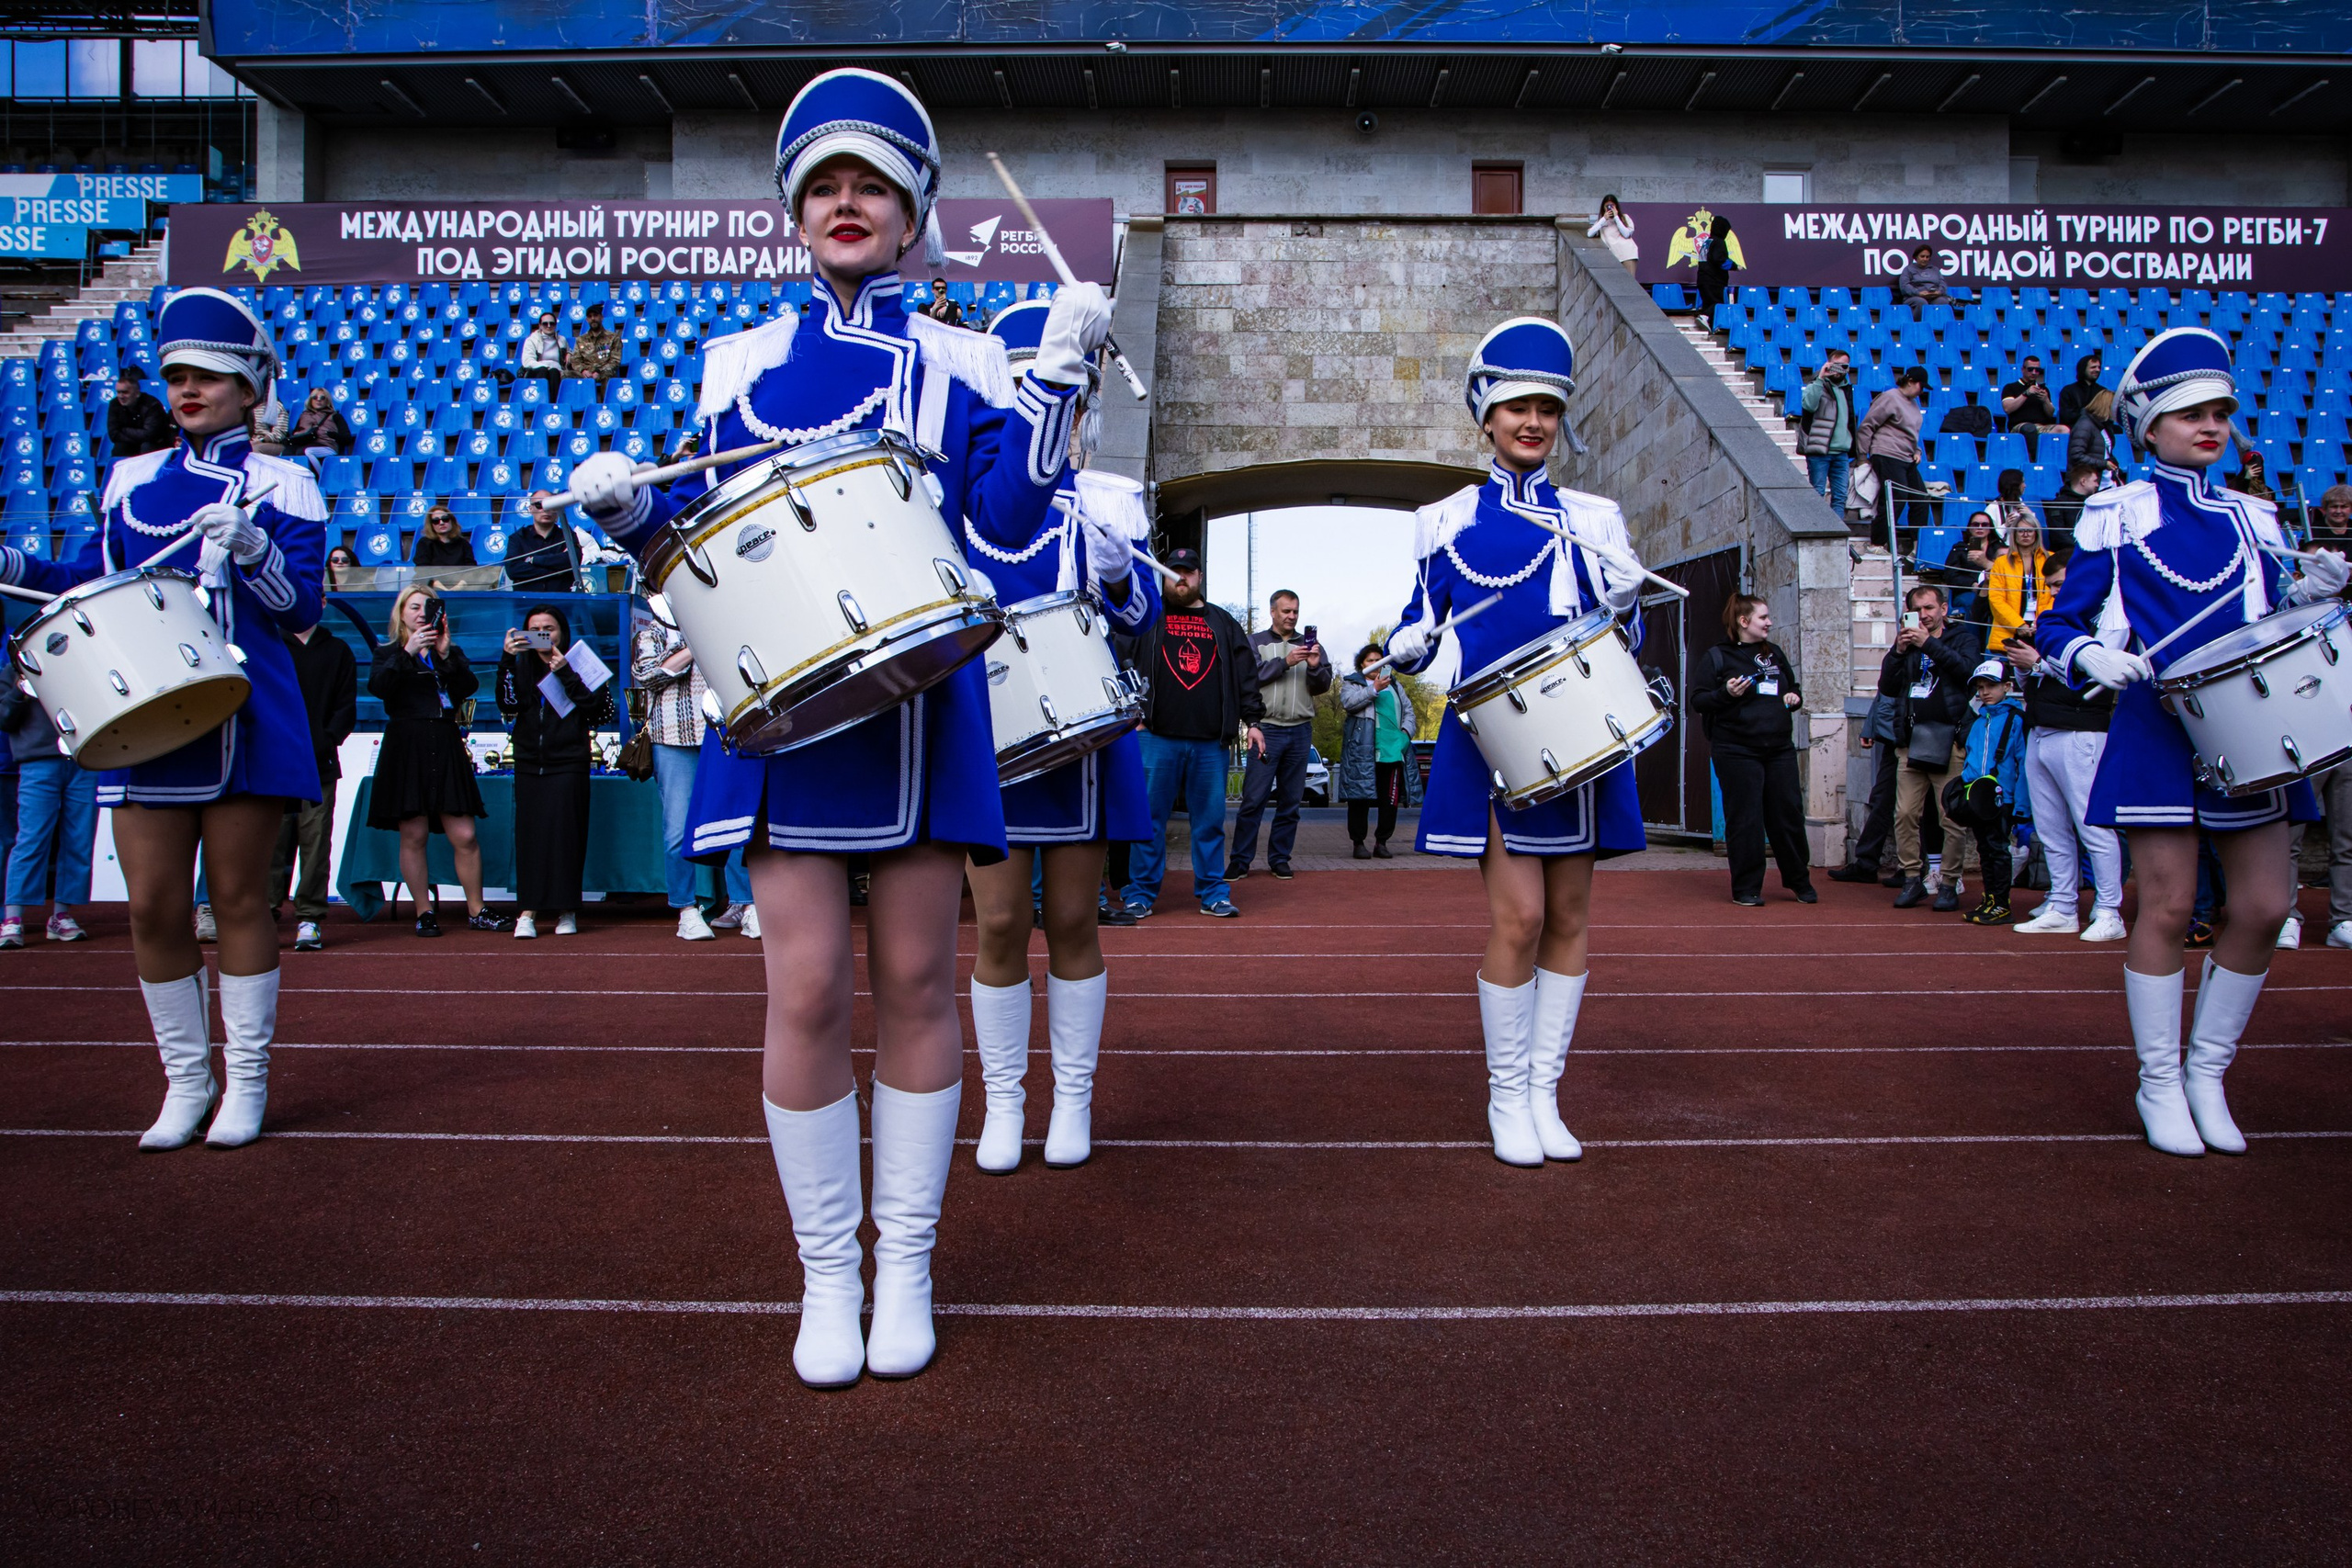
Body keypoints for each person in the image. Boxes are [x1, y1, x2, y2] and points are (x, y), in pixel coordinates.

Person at [557, 68, 1103, 1387]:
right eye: (825, 187)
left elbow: (1013, 530)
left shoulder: (970, 358)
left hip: (923, 706)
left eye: (872, 186)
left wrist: (1056, 388)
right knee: (802, 984)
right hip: (785, 712)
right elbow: (708, 557)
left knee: (920, 976)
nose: (847, 204)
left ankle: (905, 1256)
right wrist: (631, 518)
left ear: (913, 215)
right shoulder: (734, 362)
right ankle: (828, 1269)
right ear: (795, 216)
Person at [0, 288, 326, 1150]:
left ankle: (246, 1083)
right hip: (143, 713)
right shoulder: (131, 481)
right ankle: (187, 1082)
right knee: (151, 906)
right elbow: (85, 579)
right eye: (178, 375)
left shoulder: (285, 481)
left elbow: (303, 613)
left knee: (240, 899)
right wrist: (13, 559)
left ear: (251, 388)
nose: (189, 390)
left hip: (246, 716)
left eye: (210, 378)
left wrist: (255, 549)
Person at [2035, 326, 2348, 1157]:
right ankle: (2159, 1079)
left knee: (2264, 906)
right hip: (2159, 725)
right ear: (2149, 427)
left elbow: (2271, 630)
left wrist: (2307, 594)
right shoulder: (2118, 511)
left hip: (2249, 729)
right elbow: (2058, 622)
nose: (2208, 426)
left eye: (2219, 413)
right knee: (2168, 906)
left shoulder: (2256, 517)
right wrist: (2090, 652)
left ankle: (2209, 1070)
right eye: (2187, 414)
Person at [1383, 316, 1649, 1168]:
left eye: (1546, 408)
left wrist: (1628, 600)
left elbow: (1623, 644)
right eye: (1515, 407)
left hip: (1581, 734)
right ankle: (1505, 1095)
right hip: (1494, 735)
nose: (1532, 421)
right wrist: (1406, 644)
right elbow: (1421, 619)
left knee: (1570, 916)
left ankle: (1544, 1092)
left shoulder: (1596, 516)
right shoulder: (1444, 518)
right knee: (1521, 914)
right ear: (1486, 418)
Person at [965, 297, 1160, 1173]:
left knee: (1077, 916)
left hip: (1082, 738)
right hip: (992, 734)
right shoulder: (966, 498)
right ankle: (1004, 1101)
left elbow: (1142, 616)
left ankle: (1071, 1099)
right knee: (1001, 922)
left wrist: (1122, 579)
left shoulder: (1106, 499)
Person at [1121, 548, 1263, 919]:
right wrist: (1131, 714)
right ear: (1162, 577)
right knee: (1149, 821)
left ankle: (1214, 892)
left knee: (1210, 821)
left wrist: (1255, 721)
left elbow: (1246, 674)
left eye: (1186, 572)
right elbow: (1120, 661)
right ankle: (1140, 893)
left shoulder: (1222, 622)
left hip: (1209, 741)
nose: (1180, 578)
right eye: (1172, 572)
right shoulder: (1147, 618)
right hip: (1155, 736)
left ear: (1199, 576)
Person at [368, 584, 498, 937]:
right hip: (407, 743)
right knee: (414, 833)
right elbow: (379, 687)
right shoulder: (388, 652)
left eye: (428, 607)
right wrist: (408, 652)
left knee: (465, 834)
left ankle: (477, 909)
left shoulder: (447, 651)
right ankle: (424, 911)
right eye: (413, 607)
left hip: (444, 739)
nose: (421, 613)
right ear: (401, 613)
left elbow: (468, 687)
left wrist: (444, 655)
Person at [629, 613, 756, 942]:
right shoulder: (655, 631)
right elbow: (647, 674)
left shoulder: (724, 619)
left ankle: (745, 905)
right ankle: (686, 910)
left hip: (725, 733)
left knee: (735, 822)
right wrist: (694, 643)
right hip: (672, 737)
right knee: (676, 829)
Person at [2002, 622, 2125, 941]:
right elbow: (2036, 683)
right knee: (2050, 829)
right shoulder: (2057, 627)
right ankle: (2062, 904)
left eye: (2059, 584)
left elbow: (2098, 676)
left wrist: (2039, 663)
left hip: (2080, 732)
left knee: (2093, 827)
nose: (2056, 592)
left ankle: (2110, 910)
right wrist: (2027, 666)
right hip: (2042, 730)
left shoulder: (2106, 627)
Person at [1691, 593, 1815, 908]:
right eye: (1763, 618)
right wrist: (1727, 693)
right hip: (1736, 750)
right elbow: (1700, 700)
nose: (1769, 623)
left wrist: (1793, 699)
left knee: (1788, 814)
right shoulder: (1718, 656)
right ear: (1743, 622)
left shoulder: (1773, 653)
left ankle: (1799, 881)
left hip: (1778, 748)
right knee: (1745, 819)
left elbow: (1792, 688)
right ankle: (1747, 888)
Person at [498, 604, 611, 940]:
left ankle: (566, 910)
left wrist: (564, 672)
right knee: (529, 837)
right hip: (530, 762)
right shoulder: (519, 666)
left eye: (550, 628)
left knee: (566, 837)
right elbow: (507, 704)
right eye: (535, 629)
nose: (544, 634)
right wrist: (506, 660)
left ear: (562, 632)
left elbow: (600, 711)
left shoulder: (581, 663)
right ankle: (528, 911)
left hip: (569, 762)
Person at [1880, 582, 1984, 911]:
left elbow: (1969, 673)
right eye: (1917, 610)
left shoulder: (1962, 638)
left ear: (1942, 608)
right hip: (1912, 742)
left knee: (1950, 818)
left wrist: (1929, 645)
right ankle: (1913, 877)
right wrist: (1898, 651)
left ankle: (1949, 883)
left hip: (1948, 740)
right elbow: (1887, 686)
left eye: (1929, 608)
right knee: (1905, 814)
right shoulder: (1907, 643)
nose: (1923, 616)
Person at [1228, 590, 1330, 882]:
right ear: (1273, 612)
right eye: (1286, 611)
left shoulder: (1312, 646)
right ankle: (1240, 860)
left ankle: (1279, 859)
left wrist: (1313, 666)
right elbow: (1249, 677)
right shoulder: (1256, 642)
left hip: (1300, 731)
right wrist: (1285, 661)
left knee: (1290, 802)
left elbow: (1322, 685)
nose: (1292, 616)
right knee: (1254, 799)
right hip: (1266, 729)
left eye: (1296, 611)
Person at [270, 619, 356, 952]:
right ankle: (265, 913)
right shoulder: (270, 645)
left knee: (316, 841)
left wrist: (327, 740)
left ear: (321, 602)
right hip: (274, 764)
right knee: (272, 842)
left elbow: (346, 706)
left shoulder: (338, 650)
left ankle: (310, 917)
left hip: (319, 764)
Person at [0, 684, 96, 945]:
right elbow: (4, 718)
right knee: (32, 838)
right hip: (37, 761)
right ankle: (13, 919)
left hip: (82, 757)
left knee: (79, 840)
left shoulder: (83, 659)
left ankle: (61, 916)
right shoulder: (15, 667)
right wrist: (20, 690)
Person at [1337, 644, 1419, 858]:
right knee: (1360, 799)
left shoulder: (1395, 686)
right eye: (1369, 660)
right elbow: (1349, 703)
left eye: (1379, 660)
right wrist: (1374, 689)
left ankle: (1382, 842)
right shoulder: (1352, 683)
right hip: (1364, 752)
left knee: (1390, 801)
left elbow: (1409, 712)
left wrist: (1405, 734)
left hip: (1394, 751)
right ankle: (1358, 843)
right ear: (1361, 665)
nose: (1375, 664)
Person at [1858, 367, 1929, 550]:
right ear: (1912, 382)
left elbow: (1912, 434)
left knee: (1920, 498)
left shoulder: (1913, 404)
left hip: (1907, 457)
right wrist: (1862, 456)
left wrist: (1917, 451)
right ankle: (1877, 542)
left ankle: (1918, 547)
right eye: (1922, 387)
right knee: (1896, 496)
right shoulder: (1890, 397)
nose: (1923, 392)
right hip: (1887, 453)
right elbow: (1867, 426)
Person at [1984, 512, 2059, 653]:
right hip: (2012, 628)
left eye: (2029, 530)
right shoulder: (2001, 563)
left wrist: (2041, 621)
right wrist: (2018, 625)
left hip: (2042, 626)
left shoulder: (2051, 559)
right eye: (2021, 530)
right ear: (2014, 534)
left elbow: (2057, 595)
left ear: (2036, 533)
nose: (2025, 534)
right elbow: (1996, 599)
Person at [1798, 349, 1855, 517]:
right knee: (1817, 493)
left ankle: (1837, 535)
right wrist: (1821, 378)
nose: (1839, 370)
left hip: (1841, 453)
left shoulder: (1846, 389)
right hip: (1819, 451)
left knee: (1840, 496)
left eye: (1843, 366)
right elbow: (1809, 405)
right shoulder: (1816, 385)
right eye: (1835, 366)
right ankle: (1817, 528)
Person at [503, 501, 579, 592]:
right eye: (539, 505)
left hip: (560, 600)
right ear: (530, 509)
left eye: (551, 505)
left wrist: (534, 560)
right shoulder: (518, 538)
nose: (546, 509)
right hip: (527, 601)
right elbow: (513, 570)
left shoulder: (569, 536)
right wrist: (556, 571)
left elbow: (574, 561)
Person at [2000, 355, 2066, 457]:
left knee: (2064, 430)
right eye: (2030, 369)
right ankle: (2038, 459)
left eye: (2037, 370)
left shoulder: (2043, 389)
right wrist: (2025, 394)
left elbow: (2050, 414)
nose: (2034, 373)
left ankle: (2062, 460)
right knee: (2029, 428)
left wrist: (2045, 400)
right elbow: (2008, 408)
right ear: (2023, 369)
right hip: (2019, 426)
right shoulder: (2010, 387)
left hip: (2041, 426)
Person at [105, 367, 172, 459]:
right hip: (130, 444)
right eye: (118, 392)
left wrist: (123, 430)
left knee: (147, 446)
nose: (120, 396)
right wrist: (138, 435)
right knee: (119, 448)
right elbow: (113, 435)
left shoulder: (152, 405)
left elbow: (150, 435)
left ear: (137, 393)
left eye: (125, 392)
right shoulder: (114, 404)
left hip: (156, 445)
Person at [2040, 458, 2106, 552]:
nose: (2097, 484)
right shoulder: (2059, 504)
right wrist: (2080, 547)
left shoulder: (2094, 504)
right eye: (2095, 481)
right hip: (2065, 554)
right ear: (2083, 481)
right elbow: (2058, 534)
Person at [411, 502, 477, 589]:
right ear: (431, 525)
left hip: (460, 586)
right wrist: (442, 589)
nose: (441, 523)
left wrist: (459, 587)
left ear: (451, 521)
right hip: (433, 586)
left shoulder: (463, 543)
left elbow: (471, 568)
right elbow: (422, 569)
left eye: (445, 519)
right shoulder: (424, 543)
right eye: (436, 521)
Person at [287, 388, 351, 457]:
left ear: (327, 401)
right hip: (305, 444)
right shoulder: (303, 416)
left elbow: (347, 438)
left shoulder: (335, 416)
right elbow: (294, 434)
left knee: (307, 451)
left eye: (322, 398)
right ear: (311, 400)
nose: (318, 400)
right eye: (315, 397)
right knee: (287, 452)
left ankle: (321, 469)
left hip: (327, 446)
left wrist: (334, 436)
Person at [570, 303, 624, 385]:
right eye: (590, 316)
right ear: (587, 320)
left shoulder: (613, 338)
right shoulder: (581, 339)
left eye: (595, 315)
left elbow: (615, 361)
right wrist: (583, 370)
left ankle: (605, 398)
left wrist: (598, 371)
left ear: (601, 317)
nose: (593, 318)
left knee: (608, 375)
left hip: (604, 372)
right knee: (564, 375)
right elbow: (576, 360)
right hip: (585, 372)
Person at [2069, 387, 2119, 476]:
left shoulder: (2106, 426)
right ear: (2106, 406)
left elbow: (2107, 454)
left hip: (2106, 480)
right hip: (2089, 482)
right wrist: (2104, 464)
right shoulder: (2084, 426)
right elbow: (2076, 456)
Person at [1692, 213, 1735, 317]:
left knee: (1708, 304)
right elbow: (1720, 260)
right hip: (1714, 281)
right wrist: (1735, 266)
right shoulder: (1719, 242)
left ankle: (1708, 326)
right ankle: (1704, 317)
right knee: (1717, 305)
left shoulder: (1707, 242)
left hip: (1702, 280)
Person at [1585, 196, 1638, 276]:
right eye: (1607, 206)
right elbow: (1590, 233)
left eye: (1612, 206)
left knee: (1629, 282)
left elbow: (1626, 234)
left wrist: (1617, 217)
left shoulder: (1624, 217)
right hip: (1613, 256)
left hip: (1627, 254)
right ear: (1603, 207)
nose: (1610, 208)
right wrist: (1604, 218)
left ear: (1616, 206)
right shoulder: (1602, 221)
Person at [2056, 351, 2107, 432]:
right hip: (2075, 428)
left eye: (2099, 367)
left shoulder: (2103, 391)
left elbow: (2106, 416)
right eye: (2093, 367)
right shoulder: (2068, 390)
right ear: (2083, 369)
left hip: (2098, 428)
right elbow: (2066, 416)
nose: (2097, 370)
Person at [518, 310, 566, 386]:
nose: (549, 326)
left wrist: (569, 353)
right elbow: (527, 361)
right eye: (545, 324)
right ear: (540, 325)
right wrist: (546, 367)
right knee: (544, 371)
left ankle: (554, 398)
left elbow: (569, 352)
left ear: (555, 325)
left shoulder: (562, 340)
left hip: (557, 371)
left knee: (554, 372)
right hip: (537, 370)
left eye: (552, 323)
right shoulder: (532, 340)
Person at [1896, 244, 1948, 311]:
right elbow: (1904, 286)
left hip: (1933, 297)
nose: (1925, 259)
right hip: (1914, 297)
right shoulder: (1908, 269)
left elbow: (1942, 283)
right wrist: (1919, 293)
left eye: (1927, 257)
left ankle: (1937, 321)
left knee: (1942, 301)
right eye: (1922, 256)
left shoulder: (1935, 270)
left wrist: (1939, 292)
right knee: (1921, 302)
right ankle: (1920, 321)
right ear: (1916, 257)